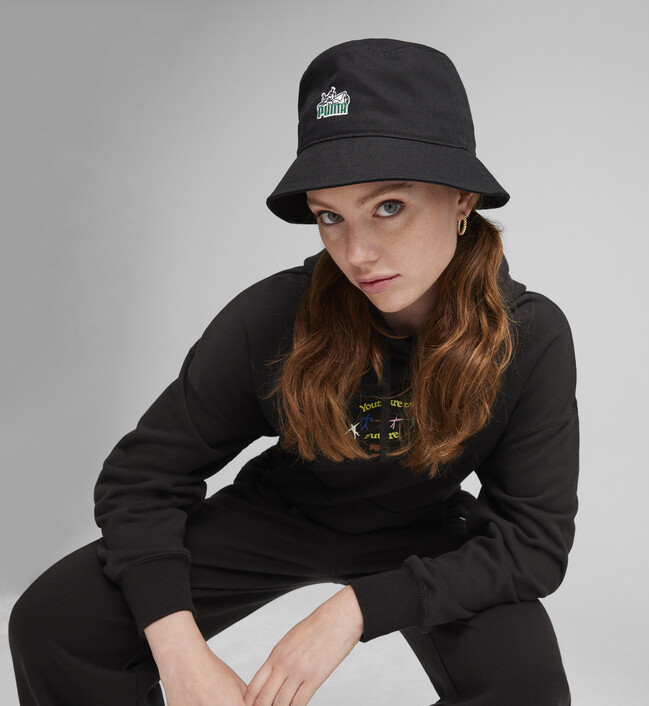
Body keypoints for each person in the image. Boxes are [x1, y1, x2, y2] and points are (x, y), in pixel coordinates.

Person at [8, 38, 579, 706]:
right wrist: (181, 654)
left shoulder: (529, 336)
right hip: (281, 513)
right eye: (329, 217)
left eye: (388, 206)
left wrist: (357, 609)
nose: (356, 253)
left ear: (461, 198)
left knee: (525, 688)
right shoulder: (276, 316)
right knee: (53, 624)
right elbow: (144, 477)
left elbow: (534, 543)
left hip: (425, 529)